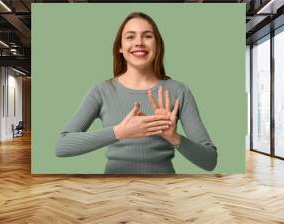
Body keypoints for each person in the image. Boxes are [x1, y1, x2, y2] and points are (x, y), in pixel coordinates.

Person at [55, 12, 217, 174]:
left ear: (157, 45)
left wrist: (173, 137)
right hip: (113, 190)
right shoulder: (101, 90)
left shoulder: (179, 91)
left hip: (163, 191)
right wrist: (120, 132)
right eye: (130, 37)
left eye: (147, 36)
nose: (139, 43)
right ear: (120, 47)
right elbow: (62, 146)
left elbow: (210, 160)